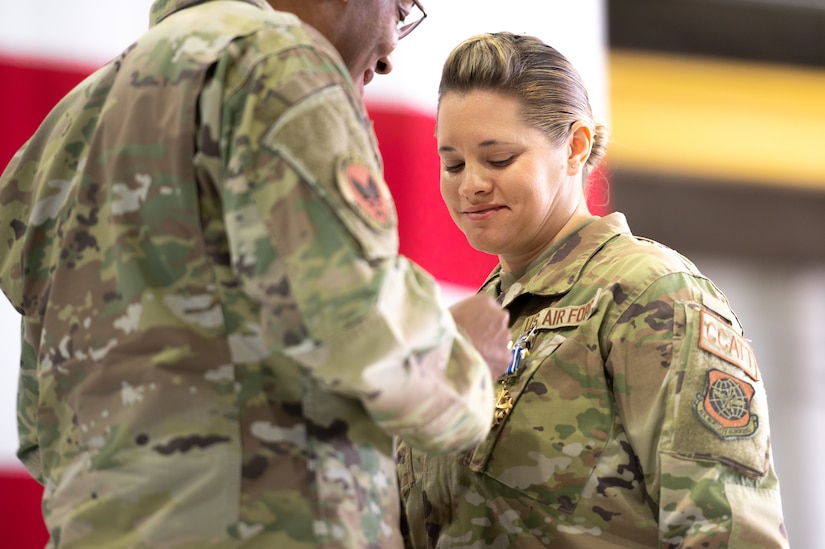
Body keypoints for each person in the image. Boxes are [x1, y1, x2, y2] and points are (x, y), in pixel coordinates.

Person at [0, 1, 514, 547]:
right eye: (400, 6)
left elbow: (39, 427)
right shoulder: (274, 61)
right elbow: (356, 328)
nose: (390, 52)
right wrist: (465, 359)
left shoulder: (71, 120)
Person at [397, 32, 788, 548]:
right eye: (453, 164)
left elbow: (730, 532)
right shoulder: (473, 322)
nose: (470, 184)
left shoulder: (650, 293)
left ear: (576, 147)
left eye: (497, 160)